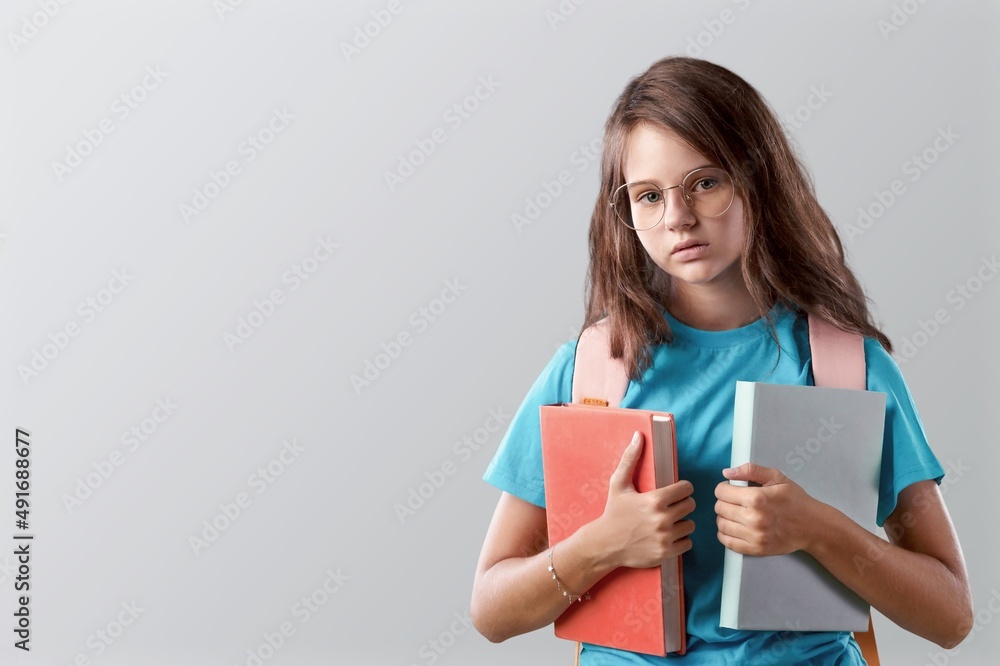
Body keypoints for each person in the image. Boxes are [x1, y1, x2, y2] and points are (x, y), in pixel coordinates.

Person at [469, 55, 974, 664]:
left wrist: (819, 529)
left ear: (758, 178)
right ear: (625, 214)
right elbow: (492, 611)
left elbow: (950, 617)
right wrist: (599, 546)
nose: (678, 217)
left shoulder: (847, 369)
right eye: (648, 196)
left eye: (705, 182)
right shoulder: (592, 370)